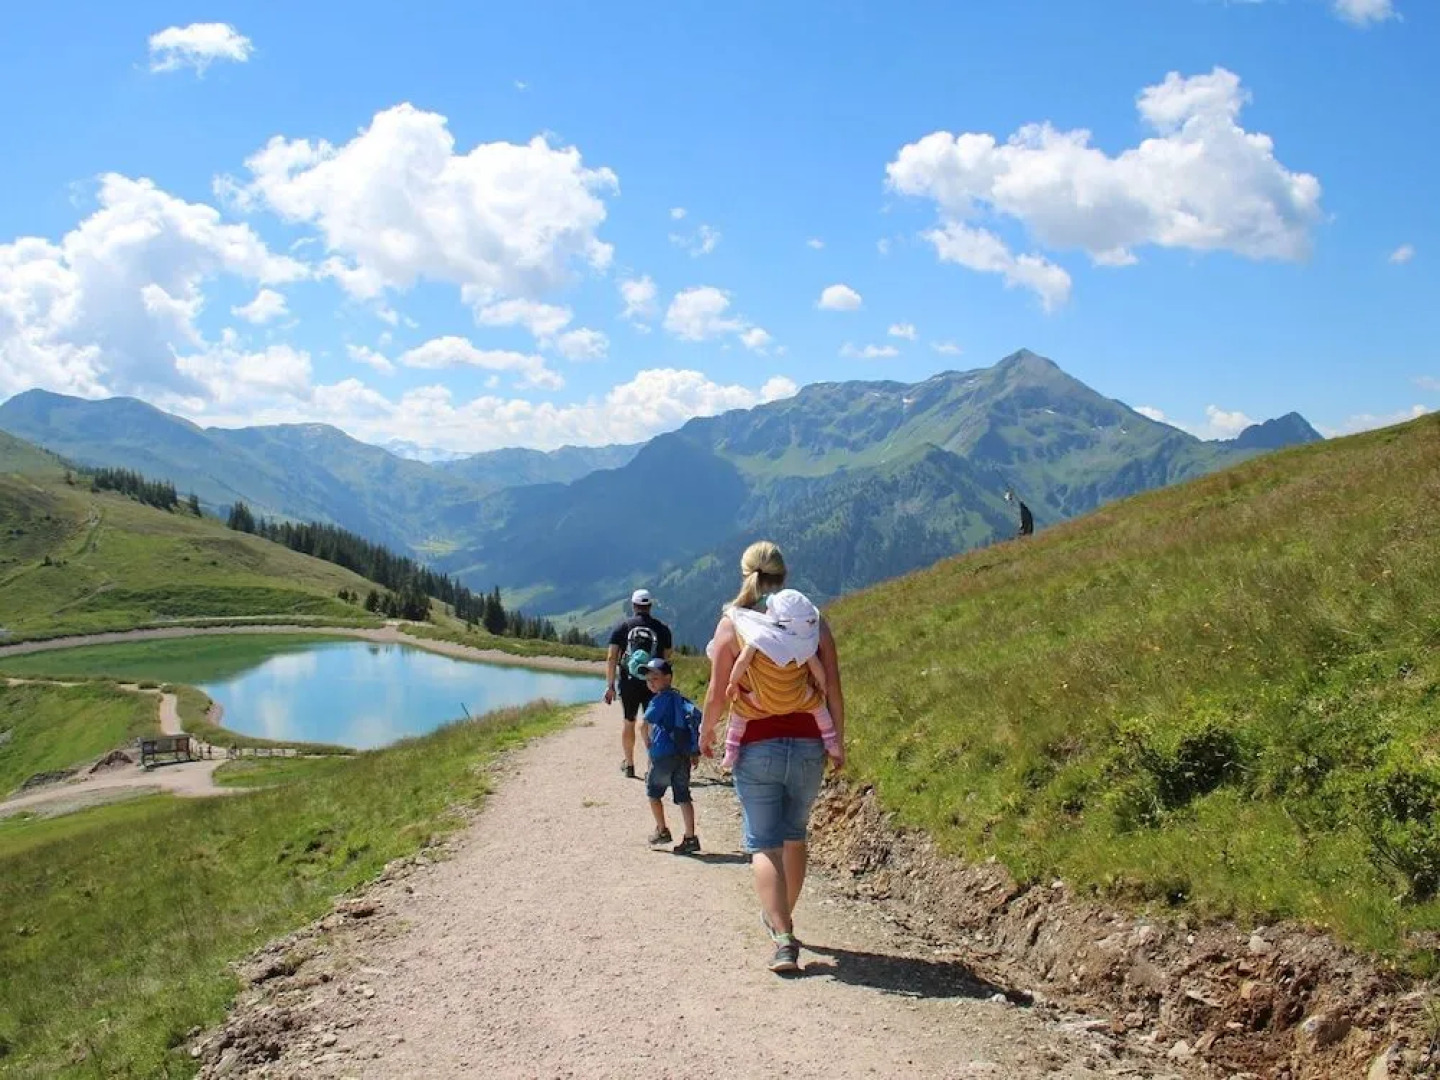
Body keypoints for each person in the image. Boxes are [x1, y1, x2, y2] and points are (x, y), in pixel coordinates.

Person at [700, 541, 845, 974]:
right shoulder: (813, 624)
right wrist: (839, 741)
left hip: (756, 746)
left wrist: (707, 731)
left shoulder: (733, 625)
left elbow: (715, 693)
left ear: (744, 573)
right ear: (785, 575)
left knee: (764, 842)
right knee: (794, 835)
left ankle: (782, 935)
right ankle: (783, 916)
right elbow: (833, 688)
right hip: (808, 744)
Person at [722, 589, 842, 771]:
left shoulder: (757, 637)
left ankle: (731, 749)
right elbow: (817, 668)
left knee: (740, 712)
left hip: (762, 700)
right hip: (798, 699)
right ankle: (831, 740)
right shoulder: (804, 643)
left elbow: (742, 662)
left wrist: (732, 683)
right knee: (819, 709)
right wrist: (823, 685)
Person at [604, 589, 673, 778]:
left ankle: (630, 765)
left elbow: (611, 657)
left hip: (628, 682)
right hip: (654, 683)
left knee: (629, 722)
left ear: (633, 606)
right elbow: (666, 660)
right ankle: (651, 767)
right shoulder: (662, 629)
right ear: (650, 606)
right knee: (651, 724)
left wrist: (610, 686)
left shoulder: (622, 627)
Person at [638, 658, 702, 855]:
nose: (651, 683)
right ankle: (690, 837)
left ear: (668, 678)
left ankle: (662, 830)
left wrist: (647, 742)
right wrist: (693, 751)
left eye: (655, 678)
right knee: (683, 795)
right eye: (648, 679)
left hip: (663, 755)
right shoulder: (680, 698)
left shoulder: (659, 699)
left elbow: (644, 724)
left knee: (653, 792)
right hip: (682, 754)